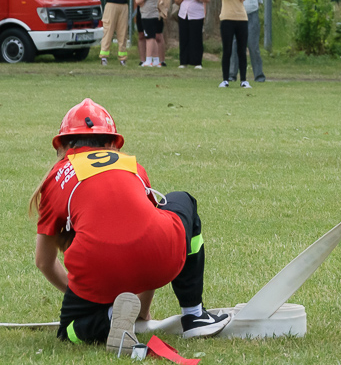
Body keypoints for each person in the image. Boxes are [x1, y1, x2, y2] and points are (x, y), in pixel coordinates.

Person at [30, 99, 229, 355]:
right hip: (161, 257)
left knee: (69, 332)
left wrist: (89, 298)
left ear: (64, 145)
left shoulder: (57, 177)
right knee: (183, 200)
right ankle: (194, 314)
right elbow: (144, 233)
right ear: (112, 143)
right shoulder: (131, 164)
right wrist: (142, 310)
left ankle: (110, 316)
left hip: (94, 268)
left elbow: (44, 261)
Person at [85, 0, 130, 66]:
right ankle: (104, 57)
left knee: (122, 33)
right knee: (108, 30)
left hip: (123, 6)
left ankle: (122, 58)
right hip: (112, 6)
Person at [229, 0, 266, 83]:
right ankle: (232, 74)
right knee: (235, 46)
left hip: (251, 16)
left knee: (253, 46)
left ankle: (259, 75)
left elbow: (259, 0)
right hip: (236, 17)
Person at [216, 0, 250, 88]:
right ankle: (225, 79)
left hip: (241, 18)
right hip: (227, 18)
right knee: (227, 50)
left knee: (242, 51)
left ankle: (244, 80)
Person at [174, 0, 209, 69]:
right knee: (184, 37)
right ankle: (183, 61)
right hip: (184, 14)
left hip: (196, 15)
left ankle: (197, 61)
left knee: (196, 38)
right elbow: (176, 0)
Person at [134, 0, 161, 67]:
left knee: (149, 38)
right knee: (152, 38)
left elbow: (138, 0)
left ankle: (148, 60)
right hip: (151, 15)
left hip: (148, 16)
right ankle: (156, 60)